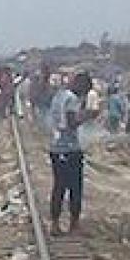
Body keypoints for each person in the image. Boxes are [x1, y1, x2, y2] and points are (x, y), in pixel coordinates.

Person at [48, 72, 90, 236]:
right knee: (75, 187)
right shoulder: (72, 99)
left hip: (55, 147)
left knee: (58, 186)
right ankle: (74, 223)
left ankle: (55, 223)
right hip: (70, 148)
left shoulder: (59, 96)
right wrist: (87, 115)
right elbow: (72, 122)